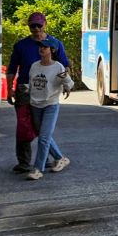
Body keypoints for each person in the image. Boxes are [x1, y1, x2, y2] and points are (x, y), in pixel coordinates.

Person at [5, 11, 71, 173]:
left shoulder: (55, 43)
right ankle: (24, 162)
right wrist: (9, 89)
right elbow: (12, 69)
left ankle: (49, 160)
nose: (35, 29)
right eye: (32, 25)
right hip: (24, 90)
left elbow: (65, 67)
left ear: (45, 24)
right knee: (24, 127)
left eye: (38, 25)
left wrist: (65, 84)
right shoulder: (21, 45)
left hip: (47, 92)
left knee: (41, 129)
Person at [26, 42, 73, 180]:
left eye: (45, 47)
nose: (41, 49)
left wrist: (66, 82)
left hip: (51, 105)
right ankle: (60, 158)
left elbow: (69, 84)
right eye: (40, 47)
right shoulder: (34, 66)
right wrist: (26, 89)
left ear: (51, 50)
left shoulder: (58, 67)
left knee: (44, 138)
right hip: (35, 104)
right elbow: (32, 84)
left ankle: (37, 169)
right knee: (43, 136)